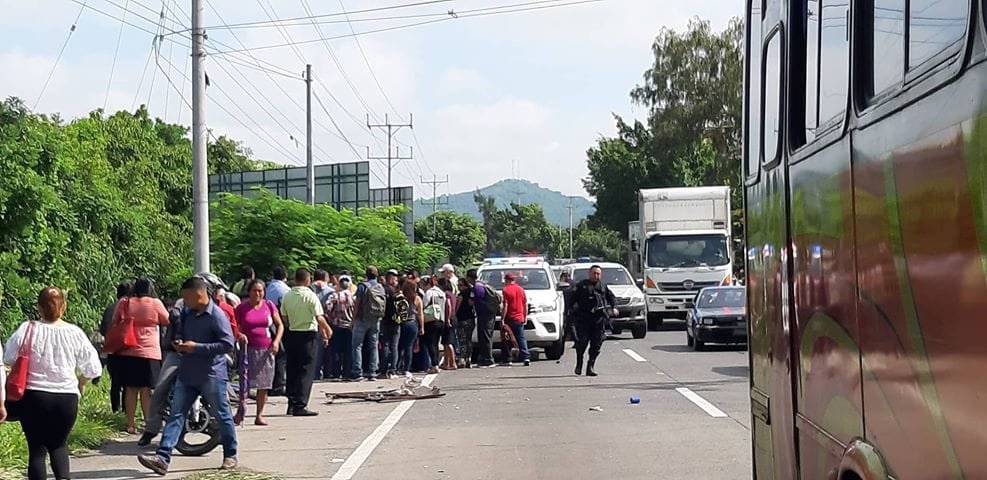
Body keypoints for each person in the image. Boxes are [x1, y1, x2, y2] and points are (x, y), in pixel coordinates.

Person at [138, 276, 238, 474]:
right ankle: (162, 458)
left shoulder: (216, 315)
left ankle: (230, 454)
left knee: (223, 415)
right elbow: (180, 332)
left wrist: (197, 348)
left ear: (198, 294)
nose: (184, 301)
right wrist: (179, 342)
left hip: (211, 375)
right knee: (176, 415)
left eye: (187, 297)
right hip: (187, 373)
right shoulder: (187, 312)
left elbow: (227, 344)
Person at [4, 287, 102, 480]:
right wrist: (81, 382)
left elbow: (8, 357)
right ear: (64, 307)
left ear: (39, 308)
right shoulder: (75, 332)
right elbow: (94, 368)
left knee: (37, 450)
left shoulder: (27, 328)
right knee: (59, 445)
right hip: (66, 399)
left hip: (34, 397)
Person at [109, 277, 169, 434]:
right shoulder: (155, 304)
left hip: (128, 350)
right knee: (146, 389)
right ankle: (148, 423)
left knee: (130, 388)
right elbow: (167, 320)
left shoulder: (125, 302)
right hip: (150, 351)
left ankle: (130, 423)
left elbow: (115, 320)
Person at [280, 268, 332, 415]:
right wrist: (327, 330)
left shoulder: (287, 296)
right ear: (308, 280)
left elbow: (284, 317)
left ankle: (291, 403)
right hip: (307, 335)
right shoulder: (310, 296)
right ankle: (300, 404)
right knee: (306, 370)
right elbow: (319, 317)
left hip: (291, 334)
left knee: (292, 369)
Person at [234, 280, 284, 426]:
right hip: (247, 349)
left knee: (264, 384)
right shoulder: (242, 308)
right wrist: (239, 335)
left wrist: (276, 342)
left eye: (261, 291)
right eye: (255, 290)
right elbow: (234, 325)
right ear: (249, 292)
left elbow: (279, 325)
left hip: (266, 349)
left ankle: (259, 414)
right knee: (245, 382)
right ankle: (240, 412)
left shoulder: (269, 306)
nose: (258, 294)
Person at [137, 298, 184, 447]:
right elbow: (173, 316)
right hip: (176, 353)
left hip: (200, 353)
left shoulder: (213, 308)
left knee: (217, 389)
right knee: (160, 389)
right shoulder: (182, 303)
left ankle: (222, 432)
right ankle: (151, 428)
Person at [569, 265, 618, 377]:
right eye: (594, 273)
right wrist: (570, 312)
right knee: (582, 343)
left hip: (599, 320)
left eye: (598, 274)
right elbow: (571, 300)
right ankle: (579, 363)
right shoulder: (582, 286)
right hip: (584, 319)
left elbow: (611, 298)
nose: (596, 276)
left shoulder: (603, 286)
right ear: (589, 273)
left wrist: (614, 307)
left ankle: (590, 366)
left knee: (596, 345)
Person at [99, 282, 130, 413]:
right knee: (128, 383)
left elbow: (103, 329)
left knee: (115, 383)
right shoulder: (131, 308)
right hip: (128, 350)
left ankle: (115, 410)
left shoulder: (110, 308)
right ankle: (126, 411)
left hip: (112, 349)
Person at [352, 266, 386, 382]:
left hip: (362, 319)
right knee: (373, 345)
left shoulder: (363, 286)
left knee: (357, 345)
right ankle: (372, 372)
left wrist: (353, 319)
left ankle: (357, 372)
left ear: (366, 274)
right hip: (376, 319)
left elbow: (357, 304)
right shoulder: (380, 287)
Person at [266, 266, 290, 396]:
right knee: (281, 354)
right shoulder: (285, 290)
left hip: (267, 322)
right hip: (280, 322)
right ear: (285, 276)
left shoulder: (268, 287)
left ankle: (269, 383)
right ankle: (279, 384)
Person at [325, 275, 356, 380]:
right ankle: (347, 373)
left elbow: (327, 309)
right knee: (348, 350)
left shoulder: (334, 296)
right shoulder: (353, 297)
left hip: (337, 326)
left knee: (336, 350)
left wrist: (331, 319)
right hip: (350, 326)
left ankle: (336, 373)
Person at [499, 273, 530, 367]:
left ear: (506, 280)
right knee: (521, 338)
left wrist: (502, 318)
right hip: (519, 317)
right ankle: (526, 357)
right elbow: (525, 304)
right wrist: (525, 316)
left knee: (507, 338)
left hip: (510, 317)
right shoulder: (521, 289)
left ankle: (507, 359)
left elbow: (506, 305)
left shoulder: (506, 290)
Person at [467, 269, 496, 367]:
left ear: (469, 278)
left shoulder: (476, 288)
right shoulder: (482, 285)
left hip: (484, 314)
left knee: (485, 336)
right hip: (488, 313)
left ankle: (488, 359)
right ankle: (485, 358)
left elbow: (471, 302)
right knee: (485, 336)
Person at [421, 276, 448, 374]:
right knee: (436, 343)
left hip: (431, 320)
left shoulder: (429, 292)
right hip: (441, 319)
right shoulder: (441, 292)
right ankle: (436, 363)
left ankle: (434, 365)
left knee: (430, 343)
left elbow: (424, 305)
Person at [378, 269, 401, 380]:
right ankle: (393, 369)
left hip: (384, 321)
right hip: (396, 322)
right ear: (391, 279)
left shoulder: (382, 290)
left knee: (385, 346)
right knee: (394, 346)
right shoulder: (396, 292)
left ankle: (383, 370)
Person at [397, 278, 424, 374]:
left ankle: (396, 367)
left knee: (399, 346)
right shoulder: (417, 298)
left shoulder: (400, 297)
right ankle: (406, 369)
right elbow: (420, 314)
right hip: (412, 323)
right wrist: (422, 327)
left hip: (401, 323)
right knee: (409, 347)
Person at [312, 270, 333, 380]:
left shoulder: (310, 290)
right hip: (326, 321)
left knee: (315, 349)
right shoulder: (330, 291)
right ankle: (327, 372)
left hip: (312, 322)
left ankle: (315, 373)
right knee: (327, 349)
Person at [454, 277, 476, 369]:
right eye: (458, 285)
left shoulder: (461, 295)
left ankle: (462, 359)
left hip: (462, 319)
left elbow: (457, 307)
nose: (459, 287)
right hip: (470, 318)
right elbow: (472, 304)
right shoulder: (471, 293)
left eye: (460, 285)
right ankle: (469, 358)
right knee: (469, 339)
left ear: (465, 285)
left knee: (462, 340)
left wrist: (454, 314)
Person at [438, 277, 458, 370]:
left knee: (448, 342)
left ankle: (452, 363)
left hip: (449, 318)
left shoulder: (446, 294)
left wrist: (447, 319)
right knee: (446, 342)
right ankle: (446, 363)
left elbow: (448, 306)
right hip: (454, 317)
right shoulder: (452, 294)